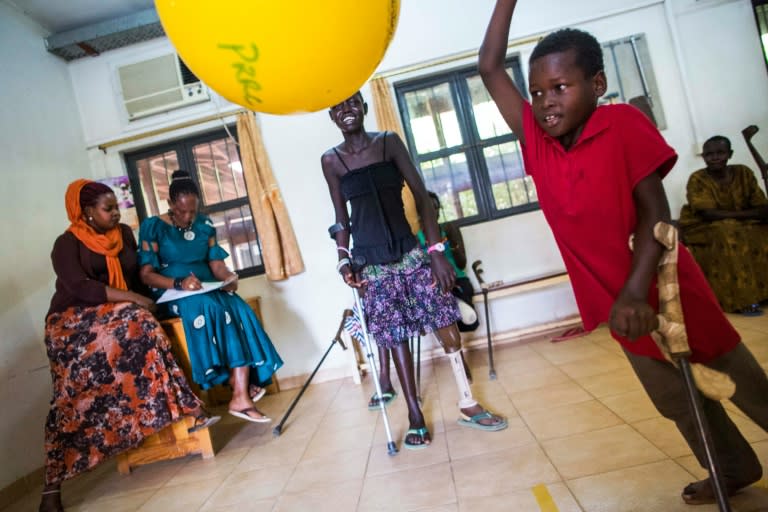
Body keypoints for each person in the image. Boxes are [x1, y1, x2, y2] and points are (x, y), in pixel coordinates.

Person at [479, 0, 768, 505]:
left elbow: (657, 214)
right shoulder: (537, 143)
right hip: (620, 307)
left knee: (736, 380)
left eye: (560, 87)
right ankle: (732, 467)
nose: (546, 101)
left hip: (666, 290)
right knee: (675, 399)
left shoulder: (622, 124)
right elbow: (488, 66)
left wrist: (638, 292)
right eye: (538, 92)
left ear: (596, 85)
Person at [321, 91, 507, 450]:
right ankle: (414, 415)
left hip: (410, 253)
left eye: (352, 102)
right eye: (339, 107)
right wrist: (344, 259)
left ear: (364, 106)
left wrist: (437, 252)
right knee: (395, 337)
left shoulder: (388, 143)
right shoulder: (331, 161)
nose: (347, 110)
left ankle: (468, 402)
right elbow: (341, 219)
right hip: (371, 264)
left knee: (444, 319)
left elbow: (422, 198)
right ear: (332, 115)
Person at [40, 180, 218, 512]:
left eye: (116, 207)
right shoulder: (66, 244)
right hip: (72, 323)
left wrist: (163, 299)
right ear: (87, 212)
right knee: (71, 398)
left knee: (146, 322)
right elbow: (82, 288)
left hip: (120, 314)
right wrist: (134, 299)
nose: (115, 214)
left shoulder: (123, 234)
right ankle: (52, 487)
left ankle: (187, 409)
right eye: (108, 209)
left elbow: (137, 279)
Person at [138, 171, 283, 424]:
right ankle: (237, 388)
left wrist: (229, 277)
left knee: (239, 309)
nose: (187, 217)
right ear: (170, 204)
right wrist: (180, 283)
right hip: (173, 293)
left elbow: (217, 265)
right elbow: (147, 274)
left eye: (192, 211)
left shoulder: (205, 225)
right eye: (182, 211)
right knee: (210, 307)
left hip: (207, 287)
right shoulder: (153, 227)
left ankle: (240, 394)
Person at [679, 135, 768, 315]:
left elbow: (761, 207)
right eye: (709, 154)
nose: (715, 157)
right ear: (703, 157)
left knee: (760, 229)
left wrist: (744, 216)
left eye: (720, 153)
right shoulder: (697, 179)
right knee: (728, 231)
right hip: (702, 226)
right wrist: (747, 215)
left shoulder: (743, 173)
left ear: (730, 154)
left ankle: (763, 293)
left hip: (740, 223)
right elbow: (708, 213)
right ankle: (744, 299)